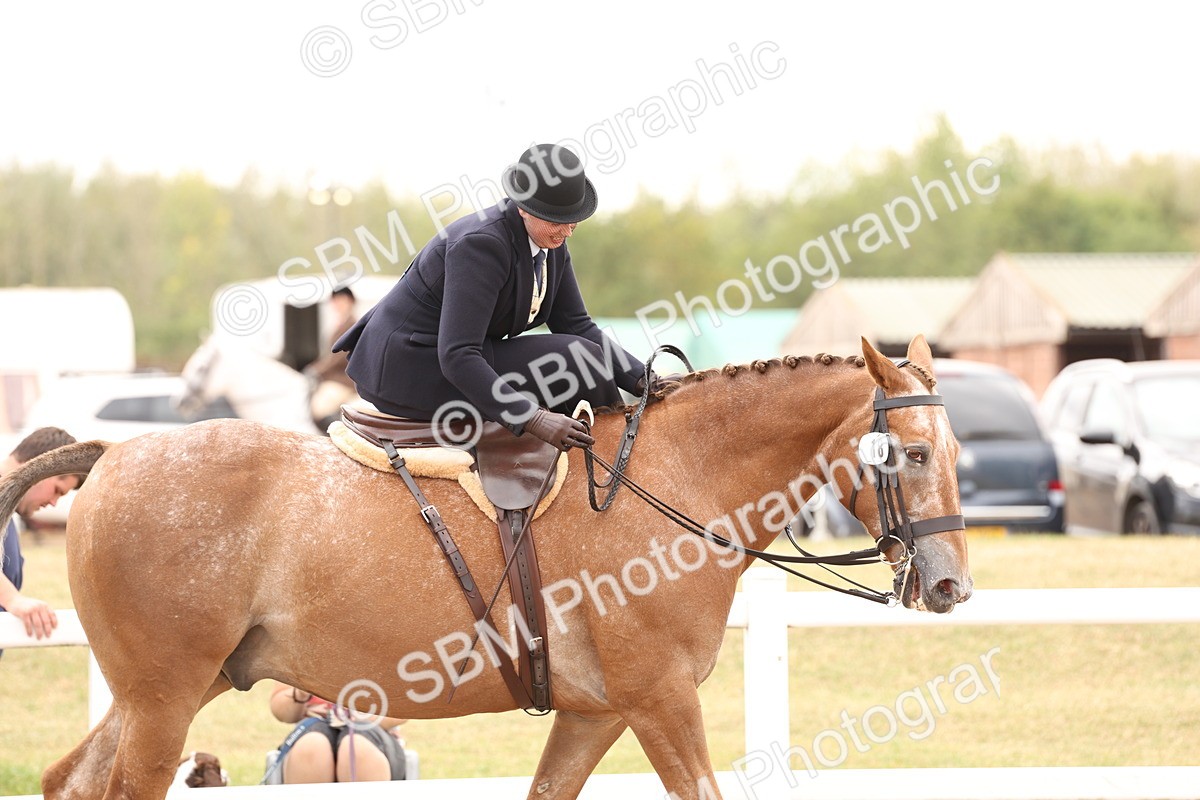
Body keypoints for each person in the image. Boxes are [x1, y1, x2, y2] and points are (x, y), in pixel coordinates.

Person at [334, 143, 679, 452]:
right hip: (410, 365)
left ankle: (622, 453)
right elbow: (457, 354)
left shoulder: (551, 240)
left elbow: (577, 324)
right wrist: (532, 418)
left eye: (573, 220)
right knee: (576, 359)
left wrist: (644, 379)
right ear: (523, 208)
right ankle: (620, 459)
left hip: (459, 353)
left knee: (581, 354)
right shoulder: (480, 245)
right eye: (558, 220)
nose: (568, 229)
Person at [1, 427, 83, 643]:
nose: (54, 502)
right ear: (39, 467)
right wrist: (12, 599)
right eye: (57, 490)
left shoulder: (8, 514)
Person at [266, 682, 407, 783]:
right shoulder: (304, 646)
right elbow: (281, 710)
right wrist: (300, 694)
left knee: (357, 748)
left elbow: (404, 709)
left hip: (371, 733)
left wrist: (363, 716)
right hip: (314, 728)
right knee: (312, 746)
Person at [306, 286, 360, 429]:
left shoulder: (353, 324)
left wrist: (318, 370)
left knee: (320, 407)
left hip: (344, 379)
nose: (338, 305)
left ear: (350, 302)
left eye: (341, 300)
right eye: (335, 301)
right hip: (334, 376)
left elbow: (339, 356)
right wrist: (314, 367)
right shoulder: (339, 324)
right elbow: (328, 356)